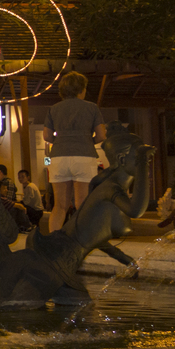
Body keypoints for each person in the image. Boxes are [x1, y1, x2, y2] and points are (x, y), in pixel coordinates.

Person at [42, 71, 106, 232]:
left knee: (59, 206)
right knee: (82, 205)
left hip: (58, 157)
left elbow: (47, 136)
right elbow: (101, 135)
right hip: (84, 156)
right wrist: (87, 142)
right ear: (81, 89)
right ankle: (81, 240)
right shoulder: (92, 108)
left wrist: (61, 142)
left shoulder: (54, 109)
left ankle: (54, 241)